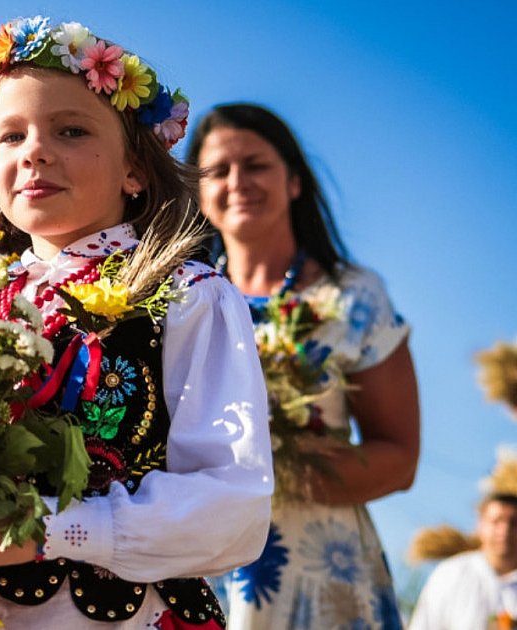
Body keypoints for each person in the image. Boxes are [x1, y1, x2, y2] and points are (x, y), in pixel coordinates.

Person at [0, 17, 274, 628]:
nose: (36, 151)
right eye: (11, 137)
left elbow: (235, 507)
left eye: (70, 130)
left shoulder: (189, 295)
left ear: (137, 170)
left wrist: (45, 528)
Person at [185, 103, 419, 628]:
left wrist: (280, 464)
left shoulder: (354, 296)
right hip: (203, 565)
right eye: (218, 171)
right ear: (199, 193)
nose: (238, 181)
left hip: (322, 573)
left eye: (256, 164)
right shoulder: (180, 304)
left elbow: (401, 459)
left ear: (294, 181)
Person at [408, 493, 517, 629]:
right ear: (480, 525)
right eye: (496, 521)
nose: (505, 530)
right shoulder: (450, 573)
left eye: (514, 523)